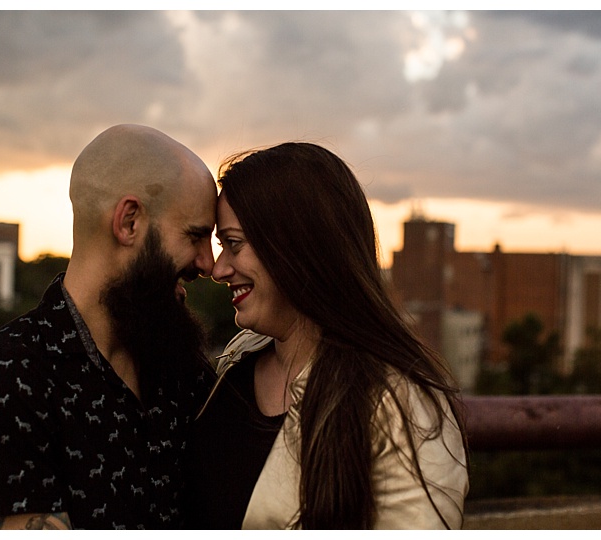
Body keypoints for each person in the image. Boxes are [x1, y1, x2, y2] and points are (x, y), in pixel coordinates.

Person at [0, 124, 218, 529]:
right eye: (195, 236)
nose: (207, 264)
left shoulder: (183, 369)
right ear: (128, 222)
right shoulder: (10, 379)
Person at [182, 142, 469, 529]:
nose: (218, 270)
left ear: (296, 246)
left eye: (233, 244)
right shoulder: (238, 360)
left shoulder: (402, 404)